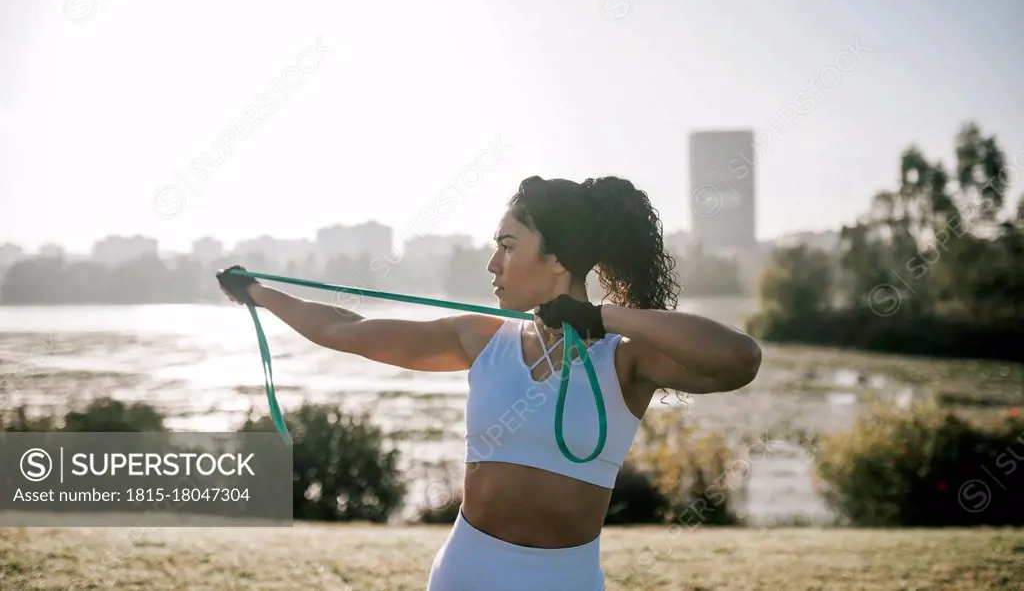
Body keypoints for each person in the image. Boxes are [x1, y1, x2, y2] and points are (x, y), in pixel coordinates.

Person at [216, 174, 762, 590]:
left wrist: (605, 317)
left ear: (554, 258)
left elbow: (739, 359)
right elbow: (344, 328)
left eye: (507, 245)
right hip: (465, 573)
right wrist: (258, 292)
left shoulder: (626, 359)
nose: (491, 263)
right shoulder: (480, 338)